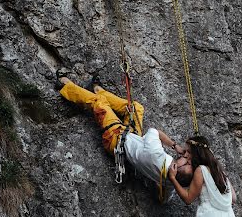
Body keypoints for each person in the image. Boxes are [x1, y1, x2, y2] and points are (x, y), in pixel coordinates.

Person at [57, 76, 193, 196]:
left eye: (186, 163)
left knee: (98, 102)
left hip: (115, 137)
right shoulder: (169, 184)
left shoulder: (157, 154)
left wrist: (175, 146)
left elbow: (154, 132)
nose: (186, 159)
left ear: (175, 169)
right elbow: (164, 198)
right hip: (131, 137)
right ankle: (100, 90)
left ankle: (66, 86)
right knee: (136, 108)